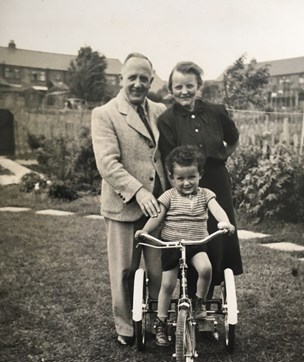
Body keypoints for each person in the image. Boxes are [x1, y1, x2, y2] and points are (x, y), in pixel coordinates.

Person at [91, 52, 166, 346]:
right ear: (121, 79)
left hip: (157, 207)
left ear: (151, 80)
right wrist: (138, 191)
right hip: (124, 206)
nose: (137, 84)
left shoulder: (159, 110)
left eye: (143, 79)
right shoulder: (105, 113)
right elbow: (108, 163)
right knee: (124, 270)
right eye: (131, 77)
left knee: (160, 269)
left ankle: (156, 321)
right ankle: (126, 327)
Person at [158, 61, 243, 306]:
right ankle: (190, 303)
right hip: (185, 187)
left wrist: (223, 156)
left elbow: (233, 138)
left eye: (189, 86)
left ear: (199, 86)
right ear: (171, 89)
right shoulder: (167, 119)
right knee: (189, 238)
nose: (184, 91)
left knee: (218, 238)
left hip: (216, 182)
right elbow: (168, 159)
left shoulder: (216, 111)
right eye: (178, 87)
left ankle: (206, 303)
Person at [135, 145, 235, 346]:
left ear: (200, 175)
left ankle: (199, 302)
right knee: (167, 284)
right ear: (171, 177)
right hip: (172, 245)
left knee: (206, 269)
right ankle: (161, 322)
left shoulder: (206, 195)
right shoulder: (169, 196)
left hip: (198, 243)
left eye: (191, 177)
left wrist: (225, 223)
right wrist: (144, 231)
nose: (186, 182)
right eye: (180, 178)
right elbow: (157, 217)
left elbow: (218, 210)